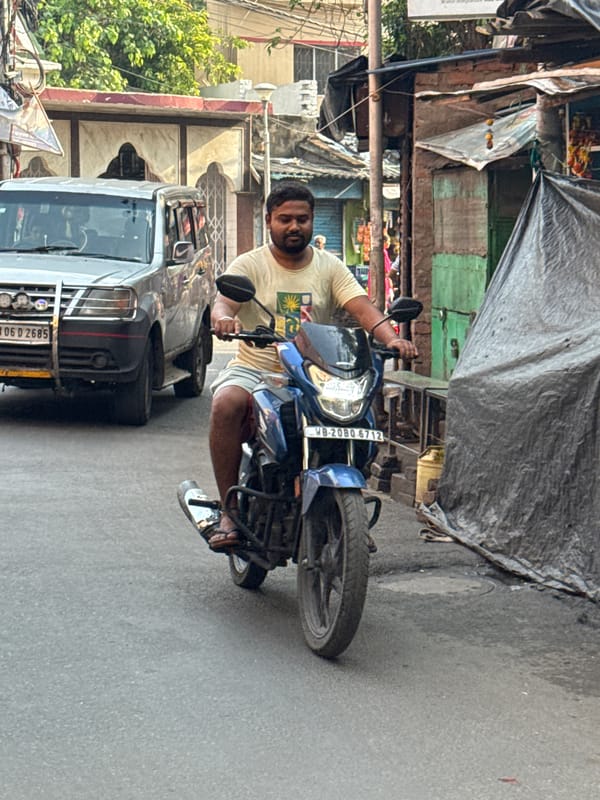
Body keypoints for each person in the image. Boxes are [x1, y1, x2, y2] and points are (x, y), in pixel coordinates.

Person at [208, 182, 418, 550]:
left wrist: (392, 338)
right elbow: (223, 303)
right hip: (259, 369)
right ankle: (229, 510)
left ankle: (346, 516)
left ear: (311, 221)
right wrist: (225, 319)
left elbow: (363, 309)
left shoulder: (329, 266)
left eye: (302, 219)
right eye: (285, 219)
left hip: (315, 372)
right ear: (269, 220)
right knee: (226, 404)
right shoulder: (250, 264)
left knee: (358, 417)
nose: (294, 227)